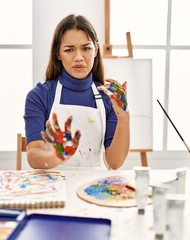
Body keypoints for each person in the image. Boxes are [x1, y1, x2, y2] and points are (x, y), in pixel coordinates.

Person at [24, 14, 130, 170]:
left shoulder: (108, 98)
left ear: (96, 50)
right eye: (69, 50)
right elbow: (34, 156)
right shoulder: (40, 95)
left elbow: (114, 162)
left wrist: (123, 118)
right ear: (58, 53)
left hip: (93, 188)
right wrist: (58, 156)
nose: (79, 57)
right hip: (54, 188)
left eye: (86, 48)